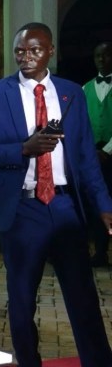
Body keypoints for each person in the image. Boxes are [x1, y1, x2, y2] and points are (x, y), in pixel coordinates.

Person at [0, 22, 112, 367]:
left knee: (84, 300)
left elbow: (85, 158)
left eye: (34, 50)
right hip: (23, 209)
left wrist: (104, 206)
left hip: (65, 208)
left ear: (50, 52)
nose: (26, 57)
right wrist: (23, 149)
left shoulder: (71, 93)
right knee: (22, 301)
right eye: (20, 51)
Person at [82, 41, 112, 266]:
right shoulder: (85, 89)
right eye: (97, 56)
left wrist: (107, 150)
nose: (101, 59)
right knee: (96, 203)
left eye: (106, 55)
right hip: (93, 157)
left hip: (109, 153)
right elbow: (81, 124)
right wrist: (91, 150)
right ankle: (100, 252)